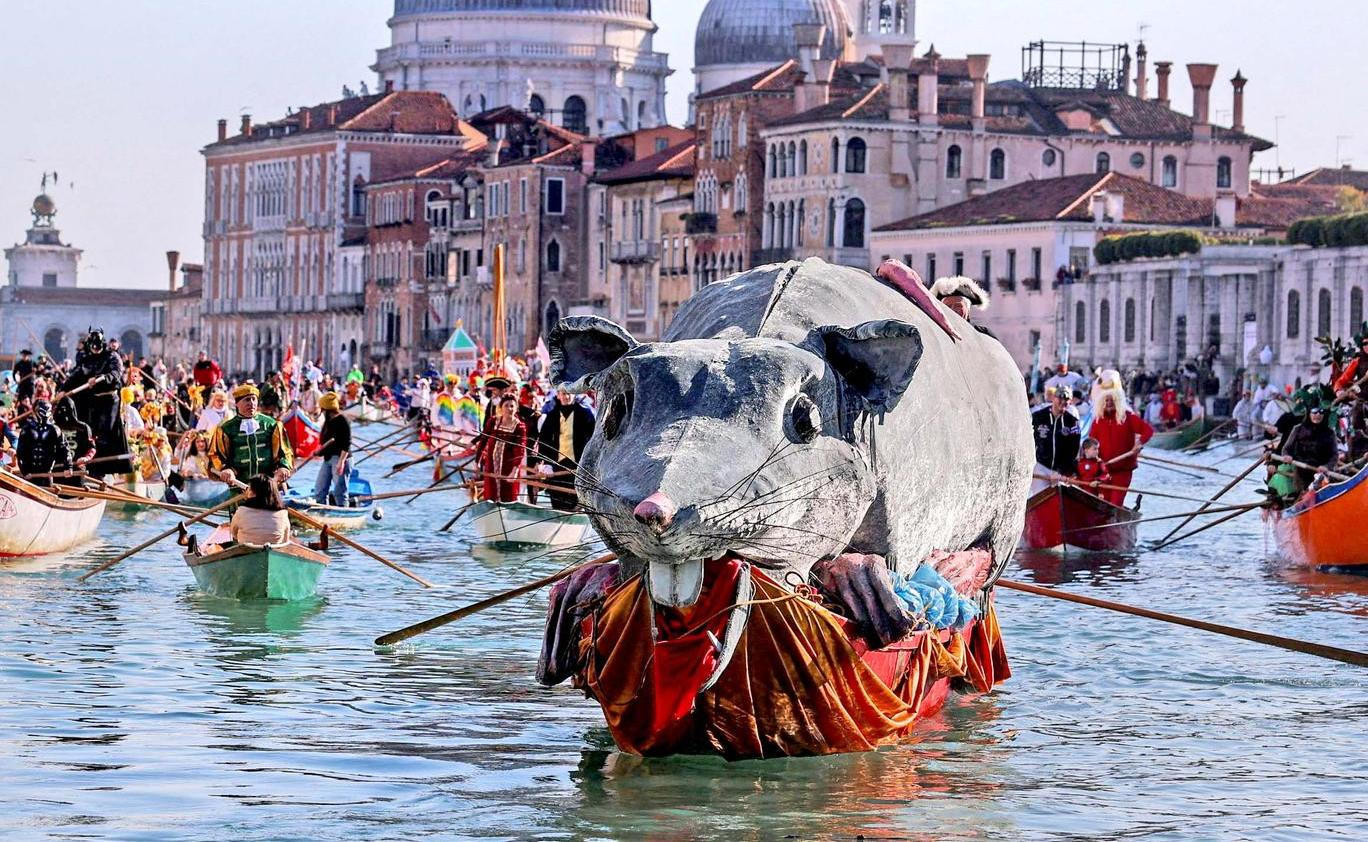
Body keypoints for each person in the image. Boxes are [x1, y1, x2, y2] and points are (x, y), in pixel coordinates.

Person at [61, 328, 132, 475]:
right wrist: (63, 389)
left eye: (98, 347)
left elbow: (115, 374)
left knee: (104, 433)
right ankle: (90, 466)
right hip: (92, 401)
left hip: (109, 400)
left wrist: (101, 378)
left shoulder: (112, 356)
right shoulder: (87, 358)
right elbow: (76, 374)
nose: (95, 350)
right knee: (89, 432)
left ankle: (103, 469)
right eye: (93, 347)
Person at [207, 383, 294, 487]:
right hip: (238, 486)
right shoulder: (225, 429)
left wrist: (283, 466)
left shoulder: (272, 424)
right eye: (247, 400)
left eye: (254, 399)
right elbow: (215, 455)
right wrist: (225, 469)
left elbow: (285, 451)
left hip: (269, 485)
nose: (251, 403)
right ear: (237, 404)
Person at [1089, 372, 1153, 507]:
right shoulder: (1097, 421)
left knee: (1114, 504)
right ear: (1101, 402)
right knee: (1102, 504)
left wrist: (1139, 443)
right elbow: (1091, 444)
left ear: (1117, 401)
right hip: (1104, 472)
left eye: (1112, 400)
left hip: (1123, 471)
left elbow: (1148, 431)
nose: (1109, 403)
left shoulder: (1128, 417)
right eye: (1106, 400)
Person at [536, 385, 597, 511]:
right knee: (557, 500)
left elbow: (593, 440)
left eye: (568, 393)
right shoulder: (552, 415)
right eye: (562, 394)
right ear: (558, 395)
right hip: (557, 466)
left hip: (578, 466)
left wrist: (589, 464)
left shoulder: (585, 414)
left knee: (576, 501)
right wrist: (546, 463)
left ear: (574, 394)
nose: (565, 397)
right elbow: (544, 440)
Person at [1030, 386, 1081, 495]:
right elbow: (1028, 442)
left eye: (1066, 399)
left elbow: (1073, 451)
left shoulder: (1072, 422)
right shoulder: (1038, 417)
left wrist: (1061, 471)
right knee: (1040, 498)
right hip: (1040, 467)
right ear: (1053, 398)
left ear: (1070, 401)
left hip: (1060, 472)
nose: (1063, 402)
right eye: (1060, 398)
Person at [1281, 400, 1338, 494]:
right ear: (1309, 413)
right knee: (1303, 492)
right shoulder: (1298, 429)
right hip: (1301, 471)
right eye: (1314, 412)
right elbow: (1286, 449)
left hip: (1321, 472)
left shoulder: (1330, 433)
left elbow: (1334, 455)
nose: (1318, 415)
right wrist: (1287, 456)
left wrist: (1327, 466)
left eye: (1321, 412)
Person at [478, 395, 526, 503]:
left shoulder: (520, 427)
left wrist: (514, 471)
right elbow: (483, 440)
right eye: (506, 406)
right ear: (501, 407)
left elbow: (520, 450)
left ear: (516, 408)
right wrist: (477, 461)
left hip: (508, 469)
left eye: (512, 406)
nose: (509, 409)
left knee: (507, 496)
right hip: (491, 467)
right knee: (491, 495)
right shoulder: (493, 421)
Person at [17, 400, 72, 488]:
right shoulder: (27, 429)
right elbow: (20, 452)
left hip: (46, 474)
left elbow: (64, 448)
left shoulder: (54, 430)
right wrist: (24, 471)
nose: (45, 415)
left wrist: (68, 466)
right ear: (35, 411)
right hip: (29, 474)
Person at [228, 475, 292, 545]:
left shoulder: (241, 511)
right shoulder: (283, 513)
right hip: (273, 550)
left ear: (253, 493)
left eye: (250, 489)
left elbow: (234, 533)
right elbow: (285, 540)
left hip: (247, 551)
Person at [314, 392, 352, 507]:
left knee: (339, 492)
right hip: (328, 458)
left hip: (341, 458)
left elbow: (347, 443)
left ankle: (343, 512)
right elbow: (326, 443)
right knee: (320, 489)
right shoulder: (328, 422)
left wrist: (341, 462)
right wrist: (318, 452)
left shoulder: (343, 420)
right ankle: (323, 511)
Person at [929, 276, 996, 338]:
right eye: (948, 307)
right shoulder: (935, 335)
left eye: (958, 306)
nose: (952, 310)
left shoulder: (984, 335)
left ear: (968, 310)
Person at [52, 396, 96, 476]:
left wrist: (86, 458)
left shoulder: (83, 428)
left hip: (77, 470)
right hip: (57, 471)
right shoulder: (53, 428)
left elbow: (92, 447)